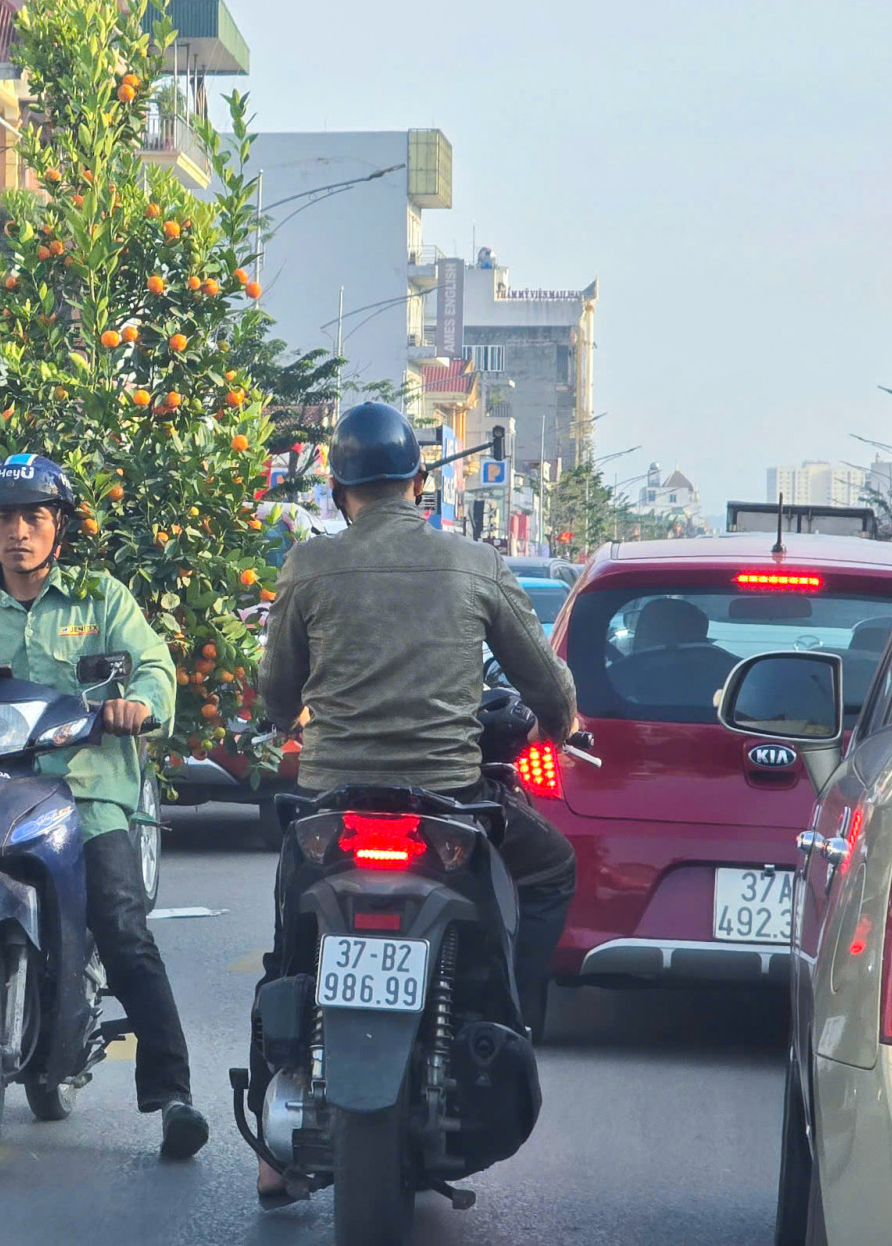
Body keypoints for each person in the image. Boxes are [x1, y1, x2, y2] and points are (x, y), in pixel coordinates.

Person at [253, 403, 580, 1197]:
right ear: (421, 485)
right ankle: (510, 1020)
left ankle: (272, 1150)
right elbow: (544, 681)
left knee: (293, 936)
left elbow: (275, 694)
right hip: (450, 805)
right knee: (552, 868)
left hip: (331, 804)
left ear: (337, 490)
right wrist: (559, 721)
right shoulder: (475, 562)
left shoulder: (307, 566)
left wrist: (292, 713)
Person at [0, 453, 210, 1160]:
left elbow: (153, 666)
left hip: (86, 794)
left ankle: (173, 1092)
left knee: (121, 922)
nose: (17, 531)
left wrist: (138, 702)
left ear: (60, 527)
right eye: (2, 516)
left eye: (33, 516)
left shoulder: (102, 599)